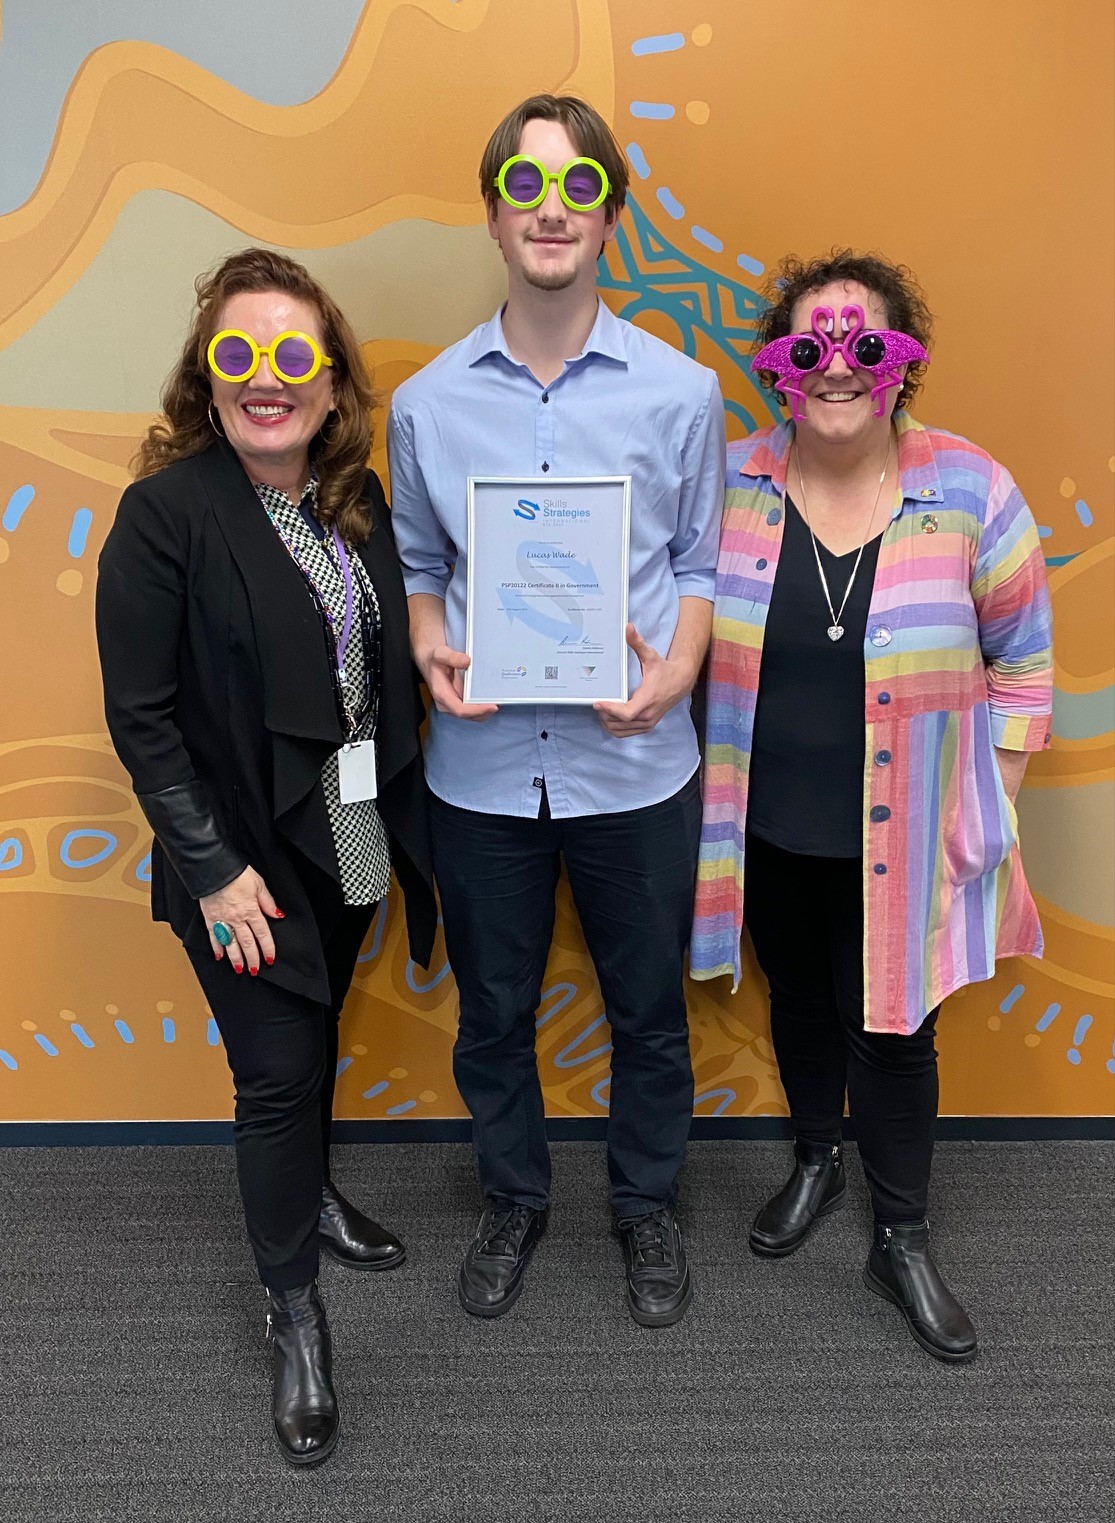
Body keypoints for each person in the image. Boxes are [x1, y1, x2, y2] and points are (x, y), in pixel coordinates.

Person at [388, 94, 725, 1327]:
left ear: (609, 214)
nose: (548, 209)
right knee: (491, 1013)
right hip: (481, 768)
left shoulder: (681, 393)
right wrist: (427, 643)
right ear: (491, 215)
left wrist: (677, 670)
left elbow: (698, 563)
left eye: (577, 185)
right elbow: (420, 564)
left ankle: (643, 1204)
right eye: (522, 186)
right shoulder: (425, 403)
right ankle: (513, 1196)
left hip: (634, 765)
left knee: (648, 1012)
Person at [96, 248, 437, 1463]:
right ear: (207, 376)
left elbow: (378, 662)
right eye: (238, 353)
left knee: (322, 1019)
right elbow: (141, 716)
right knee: (278, 1072)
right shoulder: (165, 515)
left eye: (294, 354)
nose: (267, 377)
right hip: (239, 851)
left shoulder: (353, 499)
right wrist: (210, 866)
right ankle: (293, 1310)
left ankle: (313, 1189)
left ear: (331, 382)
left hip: (346, 821)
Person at [691, 250, 1053, 1362]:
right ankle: (816, 1156)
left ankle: (899, 1236)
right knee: (799, 998)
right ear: (779, 368)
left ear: (904, 362)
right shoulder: (727, 488)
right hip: (767, 825)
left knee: (895, 1029)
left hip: (910, 834)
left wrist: (985, 808)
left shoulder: (972, 490)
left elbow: (1023, 666)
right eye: (809, 346)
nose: (836, 366)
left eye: (864, 344)